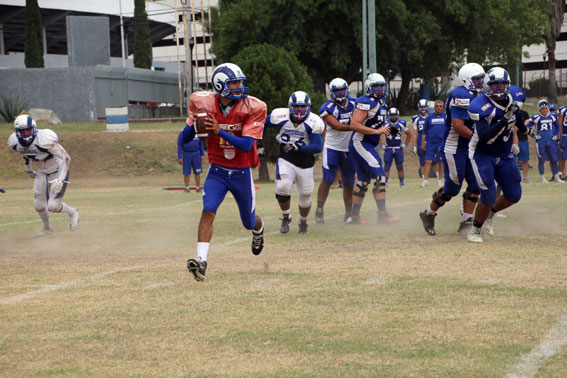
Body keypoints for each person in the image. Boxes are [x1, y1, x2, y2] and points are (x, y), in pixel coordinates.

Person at [183, 63, 267, 282]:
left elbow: (247, 146)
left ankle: (259, 230)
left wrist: (219, 130)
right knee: (208, 210)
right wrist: (194, 126)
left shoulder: (253, 107)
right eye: (234, 83)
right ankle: (201, 262)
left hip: (241, 172)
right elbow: (182, 140)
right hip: (218, 171)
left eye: (240, 82)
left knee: (248, 222)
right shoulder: (203, 104)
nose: (240, 87)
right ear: (221, 85)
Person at [466, 67, 532, 242]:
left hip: (504, 153)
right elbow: (484, 135)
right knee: (488, 196)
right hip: (482, 153)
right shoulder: (479, 105)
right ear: (488, 86)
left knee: (514, 194)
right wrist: (503, 120)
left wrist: (526, 130)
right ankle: (474, 230)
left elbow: (515, 115)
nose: (498, 87)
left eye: (502, 83)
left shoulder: (514, 96)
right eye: (494, 84)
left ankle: (489, 215)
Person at [419, 62, 485, 236]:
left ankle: (466, 222)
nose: (480, 82)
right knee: (452, 189)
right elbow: (457, 126)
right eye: (476, 79)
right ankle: (428, 214)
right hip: (455, 148)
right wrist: (480, 139)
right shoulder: (460, 94)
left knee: (476, 184)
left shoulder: (480, 94)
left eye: (481, 79)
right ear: (466, 79)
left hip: (471, 146)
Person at [7, 114, 80, 235]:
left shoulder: (45, 139)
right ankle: (47, 229)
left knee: (53, 206)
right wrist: (28, 168)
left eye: (28, 130)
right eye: (21, 131)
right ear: (16, 131)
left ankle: (72, 212)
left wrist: (60, 179)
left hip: (58, 170)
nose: (25, 134)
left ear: (34, 129)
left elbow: (67, 158)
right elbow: (27, 155)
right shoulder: (15, 142)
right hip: (42, 172)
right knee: (39, 206)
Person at [266, 91, 324, 234]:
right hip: (286, 157)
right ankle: (286, 216)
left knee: (305, 196)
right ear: (290, 106)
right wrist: (258, 142)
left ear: (308, 107)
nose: (299, 110)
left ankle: (303, 222)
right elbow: (261, 123)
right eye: (297, 106)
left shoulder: (313, 122)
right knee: (282, 186)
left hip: (305, 161)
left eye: (303, 107)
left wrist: (299, 147)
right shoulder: (280, 116)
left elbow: (318, 146)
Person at [346, 73, 400, 224]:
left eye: (381, 86)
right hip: (360, 143)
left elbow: (376, 124)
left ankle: (354, 217)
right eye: (376, 86)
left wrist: (388, 129)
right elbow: (354, 124)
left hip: (367, 144)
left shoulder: (381, 102)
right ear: (369, 87)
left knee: (363, 181)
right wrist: (376, 132)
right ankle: (383, 215)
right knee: (380, 176)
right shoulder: (365, 101)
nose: (379, 89)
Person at [315, 78, 356, 224]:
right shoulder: (327, 108)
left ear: (346, 90)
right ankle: (319, 210)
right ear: (331, 93)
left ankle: (349, 213)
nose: (340, 93)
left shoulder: (355, 103)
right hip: (332, 148)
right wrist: (357, 126)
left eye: (342, 89)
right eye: (336, 90)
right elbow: (337, 126)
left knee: (349, 182)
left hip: (349, 149)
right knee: (327, 179)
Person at [525, 99, 563, 183]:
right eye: (542, 109)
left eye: (546, 108)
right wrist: (534, 135)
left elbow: (557, 126)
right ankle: (542, 178)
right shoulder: (536, 117)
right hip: (540, 142)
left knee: (554, 159)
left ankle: (556, 177)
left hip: (551, 141)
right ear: (539, 109)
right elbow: (526, 128)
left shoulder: (553, 116)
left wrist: (556, 135)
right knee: (541, 160)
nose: (544, 110)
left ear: (548, 108)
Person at [380, 107, 412, 187]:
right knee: (387, 166)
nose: (393, 117)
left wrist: (405, 144)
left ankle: (401, 182)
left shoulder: (402, 123)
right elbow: (378, 134)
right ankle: (385, 182)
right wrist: (381, 144)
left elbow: (409, 134)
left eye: (395, 115)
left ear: (397, 115)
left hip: (398, 148)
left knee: (400, 166)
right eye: (392, 115)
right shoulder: (385, 124)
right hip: (389, 148)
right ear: (389, 115)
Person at [420, 100, 446, 188]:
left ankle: (440, 180)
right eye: (437, 106)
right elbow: (424, 131)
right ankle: (425, 180)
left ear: (442, 107)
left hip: (441, 143)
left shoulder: (446, 117)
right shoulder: (429, 117)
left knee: (441, 162)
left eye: (440, 106)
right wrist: (423, 143)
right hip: (431, 142)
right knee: (427, 161)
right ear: (434, 107)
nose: (438, 108)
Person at [412, 99, 429, 183]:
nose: (423, 108)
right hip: (420, 140)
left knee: (436, 160)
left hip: (431, 140)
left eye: (424, 106)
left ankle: (439, 178)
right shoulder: (415, 118)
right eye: (421, 107)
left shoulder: (431, 116)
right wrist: (414, 145)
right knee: (422, 161)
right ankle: (424, 179)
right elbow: (415, 133)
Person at [513, 110, 531, 183]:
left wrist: (520, 126)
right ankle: (512, 178)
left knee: (525, 160)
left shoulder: (524, 113)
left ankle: (525, 178)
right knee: (512, 160)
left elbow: (527, 124)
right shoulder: (509, 112)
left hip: (523, 139)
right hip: (512, 141)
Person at [557, 101, 567, 180]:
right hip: (565, 135)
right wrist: (559, 136)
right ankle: (559, 174)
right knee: (563, 156)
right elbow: (559, 124)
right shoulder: (563, 110)